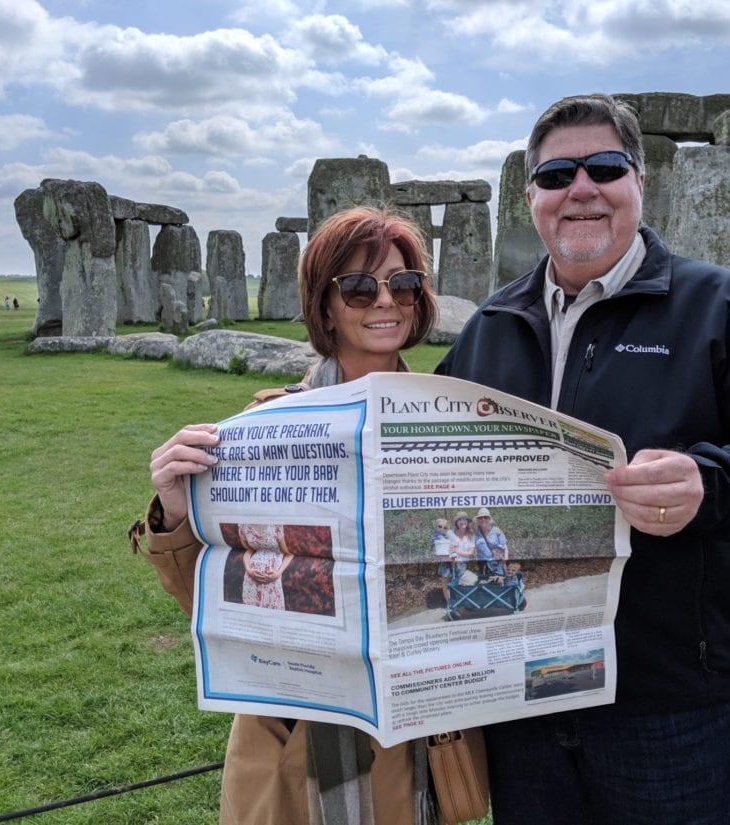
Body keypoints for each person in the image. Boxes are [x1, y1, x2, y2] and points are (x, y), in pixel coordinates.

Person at [436, 94, 730, 824]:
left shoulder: (720, 307)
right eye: (558, 173)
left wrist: (710, 482)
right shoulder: (491, 327)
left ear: (640, 182)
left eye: (605, 166)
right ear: (532, 196)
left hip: (666, 701)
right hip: (520, 696)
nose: (582, 188)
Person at [139, 206, 439, 825]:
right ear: (323, 305)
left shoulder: (444, 415)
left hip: (408, 724)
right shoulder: (266, 428)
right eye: (359, 287)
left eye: (403, 284)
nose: (385, 301)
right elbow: (204, 595)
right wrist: (175, 510)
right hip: (288, 722)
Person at [238, 523, 292, 610]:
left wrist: (278, 573)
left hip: (272, 580)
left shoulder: (275, 524)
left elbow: (289, 554)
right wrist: (248, 569)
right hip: (251, 580)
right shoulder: (243, 525)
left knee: (273, 612)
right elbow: (249, 550)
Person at [472, 508, 508, 583]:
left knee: (498, 582)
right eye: (480, 518)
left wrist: (505, 558)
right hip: (482, 563)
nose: (483, 519)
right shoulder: (475, 532)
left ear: (489, 519)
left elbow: (504, 546)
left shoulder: (496, 531)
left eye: (486, 517)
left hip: (496, 563)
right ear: (478, 520)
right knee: (484, 583)